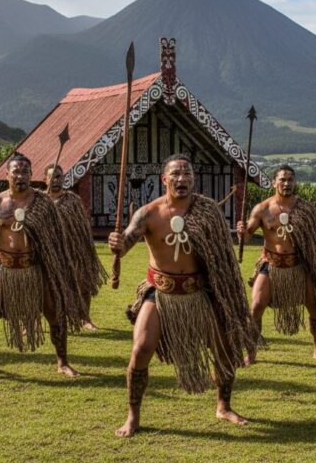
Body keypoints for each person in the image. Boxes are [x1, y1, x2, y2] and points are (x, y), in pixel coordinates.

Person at [109, 154, 256, 438]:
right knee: (140, 349)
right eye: (175, 174)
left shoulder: (207, 210)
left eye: (187, 174)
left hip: (199, 292)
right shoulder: (148, 213)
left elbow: (221, 255)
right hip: (160, 293)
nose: (182, 179)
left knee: (224, 350)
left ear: (193, 179)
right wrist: (117, 244)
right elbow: (126, 243)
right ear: (164, 179)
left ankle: (223, 406)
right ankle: (133, 416)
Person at [0, 153, 88, 381]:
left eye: (25, 172)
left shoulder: (43, 202)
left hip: (35, 266)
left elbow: (57, 236)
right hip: (4, 265)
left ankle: (63, 362)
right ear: (7, 175)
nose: (20, 176)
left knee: (54, 314)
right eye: (16, 172)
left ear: (31, 175)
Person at [237, 164, 316, 363]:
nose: (287, 183)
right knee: (255, 307)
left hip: (299, 265)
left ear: (295, 182)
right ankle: (251, 353)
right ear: (274, 182)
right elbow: (246, 237)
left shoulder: (305, 208)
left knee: (315, 307)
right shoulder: (262, 208)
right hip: (270, 265)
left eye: (290, 179)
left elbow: (315, 241)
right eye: (282, 179)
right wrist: (242, 231)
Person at [44, 164, 107, 331]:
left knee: (82, 285)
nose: (55, 180)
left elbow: (83, 225)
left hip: (74, 250)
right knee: (43, 287)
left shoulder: (73, 200)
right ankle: (35, 323)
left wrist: (86, 249)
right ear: (45, 179)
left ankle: (84, 318)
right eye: (51, 177)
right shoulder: (40, 201)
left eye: (59, 176)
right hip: (48, 252)